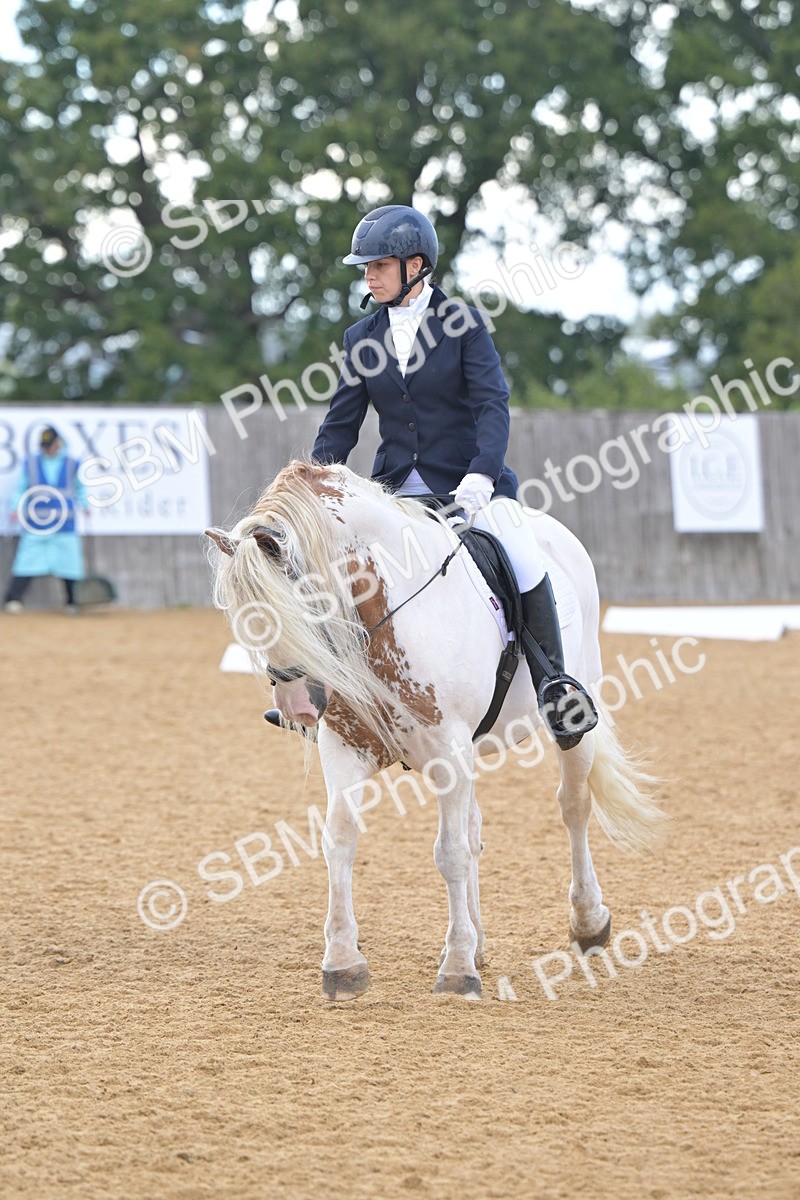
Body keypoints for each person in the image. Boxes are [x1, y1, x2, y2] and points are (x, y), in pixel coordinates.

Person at [266, 204, 596, 750]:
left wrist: (481, 475)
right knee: (329, 570)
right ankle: (317, 689)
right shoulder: (361, 337)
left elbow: (492, 405)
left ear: (415, 265)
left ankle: (554, 685)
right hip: (395, 491)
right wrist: (312, 486)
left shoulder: (463, 324)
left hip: (470, 486)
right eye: (365, 268)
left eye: (379, 266)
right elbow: (342, 423)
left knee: (522, 553)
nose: (369, 277)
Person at [3, 425, 89, 615]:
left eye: (50, 445)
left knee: (69, 562)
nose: (48, 449)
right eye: (45, 446)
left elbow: (80, 488)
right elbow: (21, 488)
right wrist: (16, 506)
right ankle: (13, 599)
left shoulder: (72, 463)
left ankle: (73, 601)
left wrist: (86, 504)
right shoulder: (31, 463)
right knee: (27, 561)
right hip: (37, 523)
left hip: (65, 523)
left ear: (59, 443)